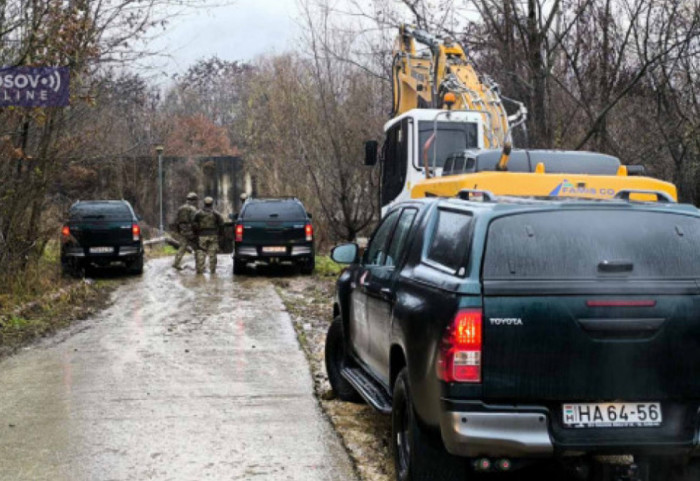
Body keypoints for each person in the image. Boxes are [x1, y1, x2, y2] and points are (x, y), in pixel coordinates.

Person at [193, 196, 224, 274]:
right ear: (212, 204)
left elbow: (193, 223)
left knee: (201, 252)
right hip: (213, 235)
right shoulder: (216, 214)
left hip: (202, 235)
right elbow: (221, 224)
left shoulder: (198, 213)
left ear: (204, 203)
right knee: (212, 254)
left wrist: (196, 232)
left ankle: (200, 271)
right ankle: (212, 271)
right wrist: (220, 234)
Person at [172, 192, 199, 270]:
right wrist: (197, 231)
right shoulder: (193, 209)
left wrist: (179, 230)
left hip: (182, 230)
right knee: (197, 248)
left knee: (182, 247)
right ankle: (199, 266)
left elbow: (177, 220)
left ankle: (176, 263)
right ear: (193, 200)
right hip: (191, 231)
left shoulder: (180, 208)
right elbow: (194, 221)